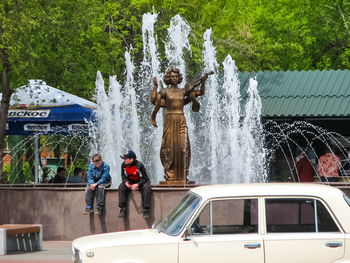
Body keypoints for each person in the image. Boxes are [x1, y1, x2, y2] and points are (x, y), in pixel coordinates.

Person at [151, 68, 213, 182]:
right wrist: (155, 86)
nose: (174, 78)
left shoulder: (183, 91)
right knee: (168, 147)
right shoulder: (165, 91)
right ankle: (170, 174)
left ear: (179, 78)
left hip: (181, 120)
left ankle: (182, 174)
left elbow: (201, 93)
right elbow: (154, 100)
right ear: (168, 79)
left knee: (182, 147)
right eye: (172, 77)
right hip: (170, 120)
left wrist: (203, 81)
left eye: (176, 76)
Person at [118, 150, 151, 219]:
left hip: (141, 181)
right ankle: (123, 209)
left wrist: (138, 184)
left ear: (131, 159)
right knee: (121, 186)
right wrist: (126, 182)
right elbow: (123, 175)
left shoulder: (139, 165)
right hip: (131, 181)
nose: (124, 160)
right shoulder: (123, 165)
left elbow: (145, 178)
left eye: (126, 159)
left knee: (146, 188)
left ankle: (146, 210)